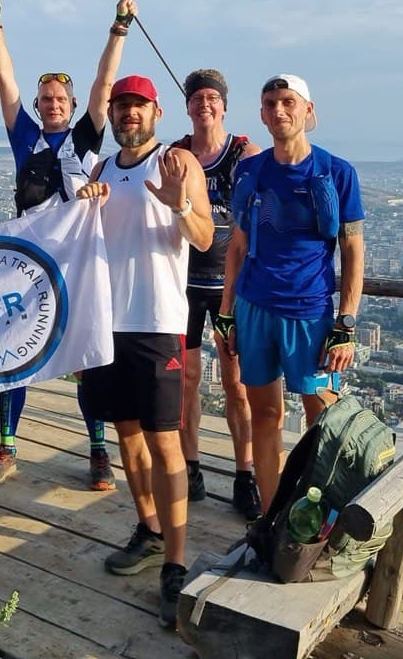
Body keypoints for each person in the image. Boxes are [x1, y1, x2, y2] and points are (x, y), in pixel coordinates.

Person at [0, 0, 130, 491]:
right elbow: (4, 80)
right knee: (12, 353)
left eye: (61, 100)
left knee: (87, 357)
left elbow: (105, 82)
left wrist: (119, 27)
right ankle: (8, 445)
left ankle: (98, 449)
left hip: (80, 260)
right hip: (29, 262)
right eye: (46, 101)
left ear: (72, 104)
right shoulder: (25, 136)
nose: (53, 105)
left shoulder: (86, 135)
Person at [75, 73, 213, 629]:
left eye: (138, 106)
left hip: (156, 324)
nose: (129, 114)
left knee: (164, 442)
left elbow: (203, 238)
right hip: (107, 323)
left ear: (156, 112)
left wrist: (179, 205)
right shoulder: (102, 170)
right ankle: (149, 529)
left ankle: (177, 561)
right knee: (126, 434)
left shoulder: (179, 165)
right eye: (121, 106)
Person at [218, 74, 364, 517]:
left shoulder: (337, 173)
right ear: (261, 114)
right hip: (255, 307)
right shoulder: (251, 171)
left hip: (310, 312)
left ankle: (330, 518)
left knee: (325, 420)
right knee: (264, 416)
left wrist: (346, 323)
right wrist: (226, 312)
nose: (278, 111)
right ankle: (271, 514)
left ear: (307, 109)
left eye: (287, 102)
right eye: (270, 103)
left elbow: (353, 250)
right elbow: (238, 245)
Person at [169, 70, 261, 519]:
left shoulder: (243, 154)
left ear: (224, 105)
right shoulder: (176, 154)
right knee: (186, 381)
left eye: (212, 98)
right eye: (197, 98)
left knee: (236, 384)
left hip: (229, 287)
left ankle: (245, 473)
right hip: (184, 286)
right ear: (187, 107)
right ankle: (192, 467)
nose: (205, 105)